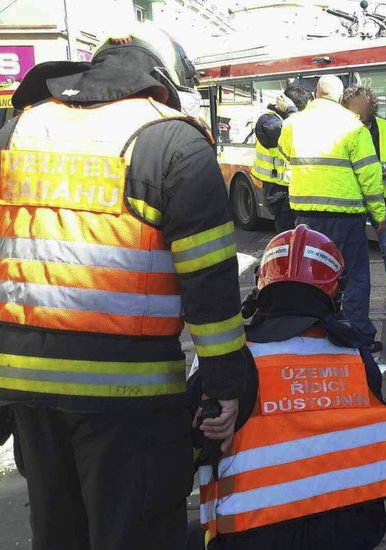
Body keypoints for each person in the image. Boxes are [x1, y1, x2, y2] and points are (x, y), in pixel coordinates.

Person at [0, 22, 246, 550]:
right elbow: (210, 285)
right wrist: (227, 386)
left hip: (30, 394)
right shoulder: (173, 141)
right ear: (163, 79)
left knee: (57, 534)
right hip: (131, 403)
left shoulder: (17, 131)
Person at [197, 225, 386, 549]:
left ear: (261, 288)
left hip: (252, 535)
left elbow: (182, 449)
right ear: (336, 293)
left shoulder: (228, 361)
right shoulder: (358, 358)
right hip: (353, 535)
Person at [279, 75, 386, 352]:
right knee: (355, 276)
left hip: (306, 216)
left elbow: (285, 152)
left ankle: (313, 333)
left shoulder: (292, 124)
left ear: (315, 93)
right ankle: (361, 336)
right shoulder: (353, 127)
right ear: (340, 98)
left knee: (311, 276)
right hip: (346, 217)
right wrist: (379, 216)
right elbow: (369, 175)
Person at [341, 85, 386, 316]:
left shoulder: (383, 127)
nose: (359, 111)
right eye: (354, 107)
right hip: (353, 200)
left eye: (362, 105)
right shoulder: (343, 129)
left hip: (381, 199)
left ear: (370, 106)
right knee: (348, 252)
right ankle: (340, 299)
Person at [252, 85, 312, 232]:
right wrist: (292, 110)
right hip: (279, 190)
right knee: (288, 233)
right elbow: (293, 130)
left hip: (294, 187)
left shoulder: (286, 119)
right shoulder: (268, 120)